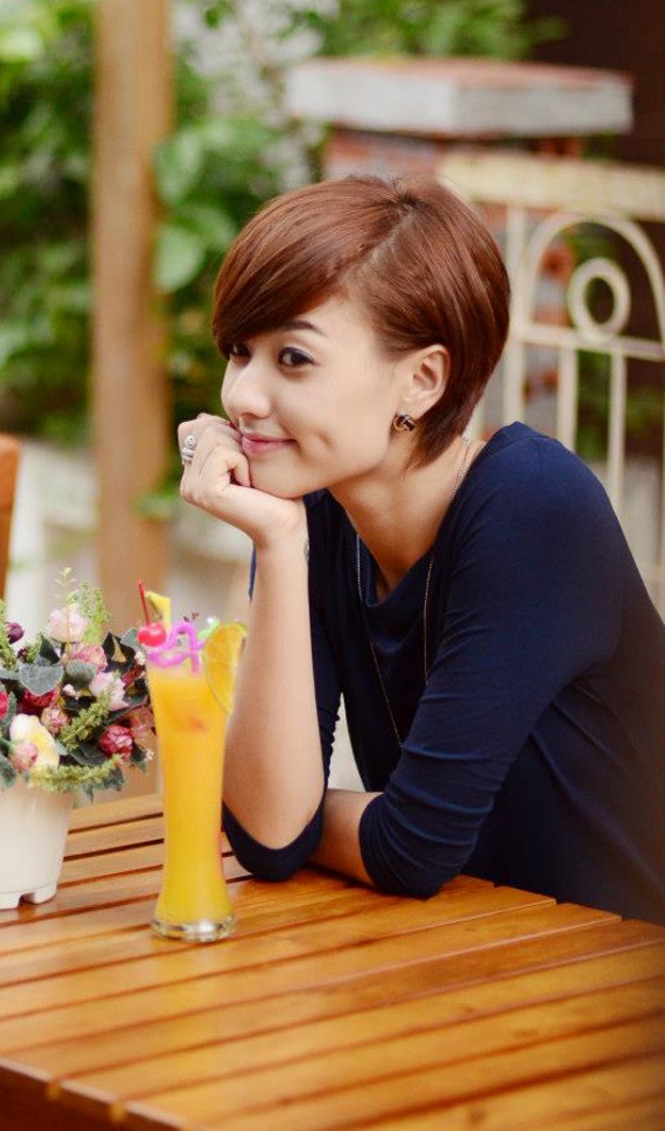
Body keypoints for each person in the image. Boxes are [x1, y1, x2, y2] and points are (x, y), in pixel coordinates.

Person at [177, 174, 665, 924]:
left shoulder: (531, 507)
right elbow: (269, 838)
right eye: (240, 351)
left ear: (422, 380)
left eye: (294, 357)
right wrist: (276, 544)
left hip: (621, 961)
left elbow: (409, 847)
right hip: (474, 946)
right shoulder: (311, 506)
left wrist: (302, 811)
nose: (241, 394)